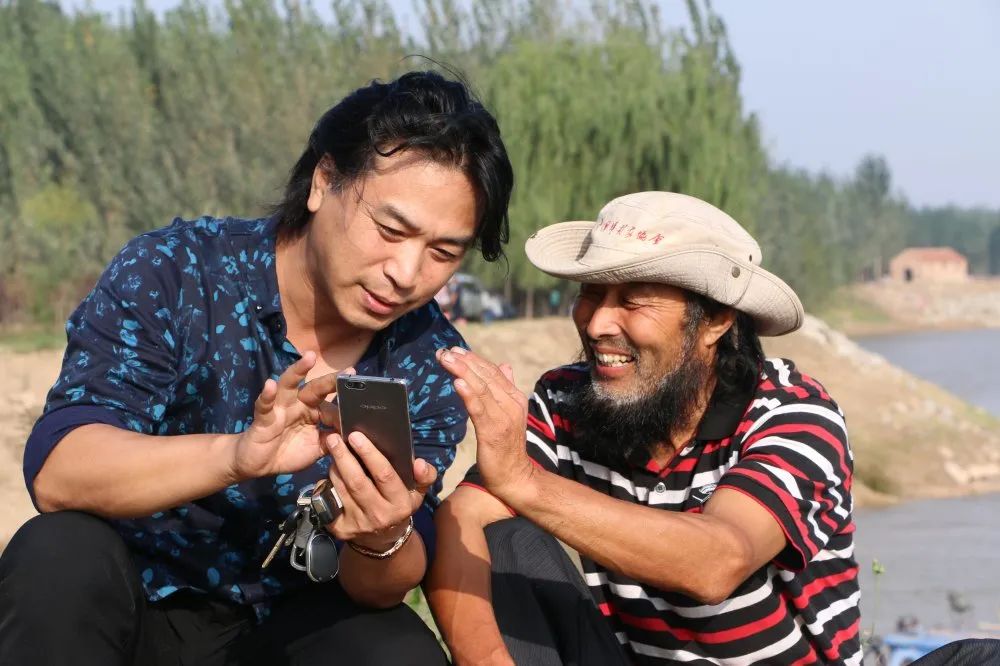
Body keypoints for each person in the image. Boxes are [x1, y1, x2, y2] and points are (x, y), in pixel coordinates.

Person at [0, 70, 513, 666]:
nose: (406, 273)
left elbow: (382, 587)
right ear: (324, 181)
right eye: (390, 229)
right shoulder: (176, 272)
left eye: (443, 253)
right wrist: (236, 457)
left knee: (395, 651)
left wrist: (381, 535)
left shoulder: (432, 359)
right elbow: (60, 471)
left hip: (292, 623)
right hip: (133, 603)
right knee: (57, 554)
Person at [429, 191, 862, 665]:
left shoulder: (794, 415)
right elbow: (461, 517)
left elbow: (718, 563)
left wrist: (523, 482)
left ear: (716, 320)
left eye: (633, 302)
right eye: (591, 293)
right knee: (507, 540)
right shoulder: (565, 399)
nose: (597, 324)